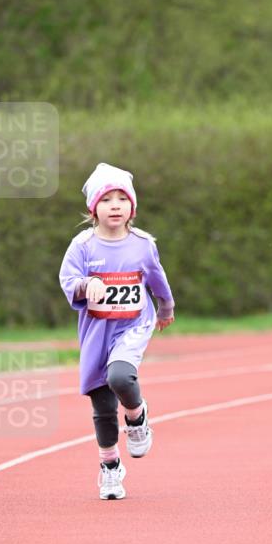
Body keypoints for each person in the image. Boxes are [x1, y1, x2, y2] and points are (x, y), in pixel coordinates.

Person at [59, 162, 175, 500]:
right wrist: (85, 284)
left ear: (132, 208)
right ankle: (110, 468)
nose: (115, 206)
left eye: (122, 199)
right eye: (107, 199)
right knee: (103, 404)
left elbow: (157, 278)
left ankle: (137, 418)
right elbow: (68, 280)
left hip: (133, 324)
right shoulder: (82, 246)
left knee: (121, 377)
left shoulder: (142, 244)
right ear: (93, 208)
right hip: (97, 330)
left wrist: (166, 307)